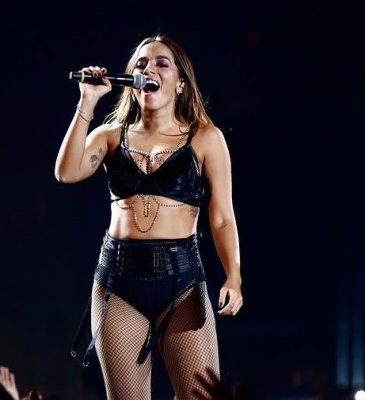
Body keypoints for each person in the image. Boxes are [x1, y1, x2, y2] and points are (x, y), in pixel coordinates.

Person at [55, 34, 243, 399]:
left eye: (161, 63)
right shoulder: (111, 136)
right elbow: (66, 172)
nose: (149, 69)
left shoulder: (205, 138)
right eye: (140, 64)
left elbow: (222, 217)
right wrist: (87, 101)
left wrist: (233, 276)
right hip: (118, 282)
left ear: (180, 83)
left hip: (181, 282)